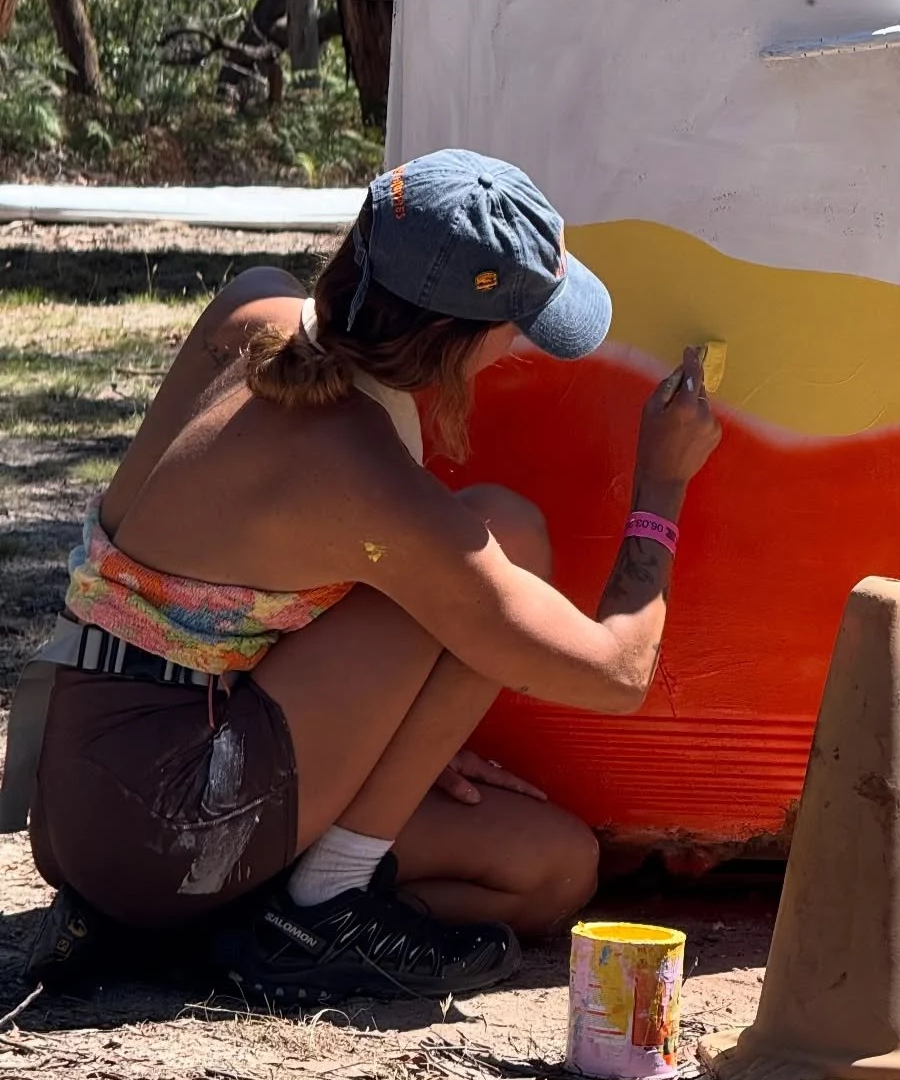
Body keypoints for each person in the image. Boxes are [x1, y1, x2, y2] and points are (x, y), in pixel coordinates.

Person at [1, 150, 721, 1002]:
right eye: (518, 326)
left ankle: (235, 922)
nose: (518, 344)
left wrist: (386, 741)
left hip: (79, 801)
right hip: (169, 823)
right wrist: (663, 487)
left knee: (552, 870)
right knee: (508, 532)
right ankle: (317, 911)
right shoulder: (364, 478)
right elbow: (618, 672)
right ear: (458, 343)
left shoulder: (253, 306)